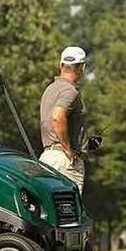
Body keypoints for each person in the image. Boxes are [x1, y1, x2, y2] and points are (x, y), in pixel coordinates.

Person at [39, 46, 88, 192]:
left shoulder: (50, 89)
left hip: (47, 158)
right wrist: (68, 150)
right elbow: (57, 117)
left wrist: (86, 143)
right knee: (70, 211)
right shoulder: (70, 91)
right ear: (82, 67)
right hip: (64, 161)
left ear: (61, 65)